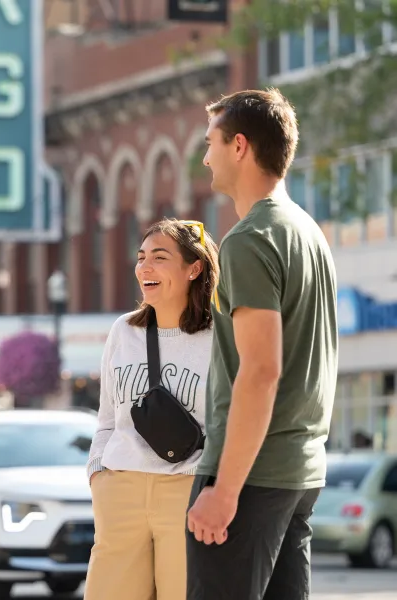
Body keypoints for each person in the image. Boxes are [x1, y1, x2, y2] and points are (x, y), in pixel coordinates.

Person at [186, 89, 338, 600]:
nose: (205, 156)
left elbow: (261, 370)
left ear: (240, 147)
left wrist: (224, 491)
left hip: (252, 476)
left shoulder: (251, 238)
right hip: (299, 471)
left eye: (211, 143)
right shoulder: (308, 233)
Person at [85, 218, 220, 600]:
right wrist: (99, 472)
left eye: (159, 258)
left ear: (194, 268)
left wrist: (212, 488)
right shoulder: (123, 331)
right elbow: (108, 418)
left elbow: (230, 423)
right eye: (141, 257)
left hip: (186, 491)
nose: (144, 267)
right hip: (119, 490)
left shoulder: (220, 337)